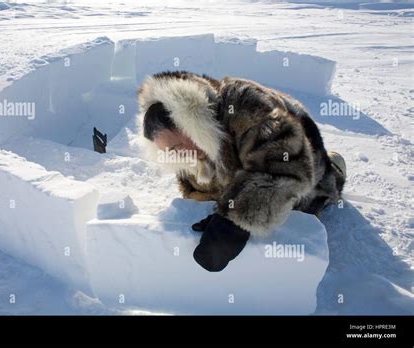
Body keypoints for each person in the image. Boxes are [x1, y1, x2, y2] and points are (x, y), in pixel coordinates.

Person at [137, 71, 346, 272]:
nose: (181, 155)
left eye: (177, 145)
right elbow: (200, 188)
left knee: (302, 204)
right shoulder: (190, 149)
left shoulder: (246, 104)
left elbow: (283, 168)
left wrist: (235, 222)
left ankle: (334, 166)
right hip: (248, 158)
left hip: (305, 154)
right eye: (171, 152)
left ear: (189, 120)